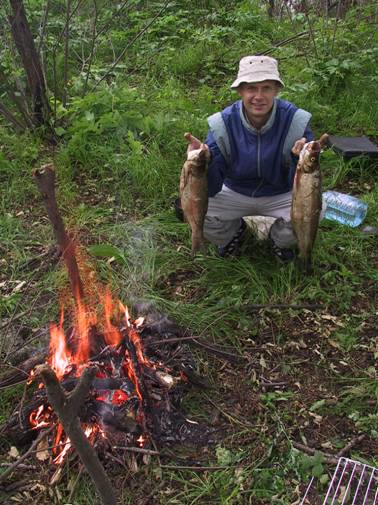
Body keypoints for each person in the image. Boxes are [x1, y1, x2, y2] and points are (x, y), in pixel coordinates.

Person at [185, 55, 314, 260]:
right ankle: (234, 235)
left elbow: (302, 183)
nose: (259, 96)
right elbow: (212, 186)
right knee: (194, 209)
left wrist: (297, 159)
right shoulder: (221, 124)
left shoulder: (296, 121)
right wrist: (204, 162)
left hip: (279, 191)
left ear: (276, 90)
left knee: (316, 208)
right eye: (252, 88)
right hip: (235, 190)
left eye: (266, 88)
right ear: (240, 91)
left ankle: (279, 240)